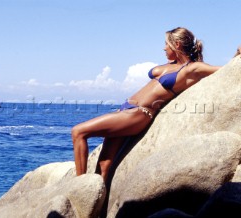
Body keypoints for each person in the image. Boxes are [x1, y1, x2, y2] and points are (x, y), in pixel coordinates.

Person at [71, 27, 240, 183]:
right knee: (103, 166)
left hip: (138, 114)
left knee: (78, 132)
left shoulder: (193, 68)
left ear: (177, 44)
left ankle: (79, 186)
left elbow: (225, 71)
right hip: (125, 109)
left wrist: (236, 56)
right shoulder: (171, 65)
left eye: (166, 44)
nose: (163, 48)